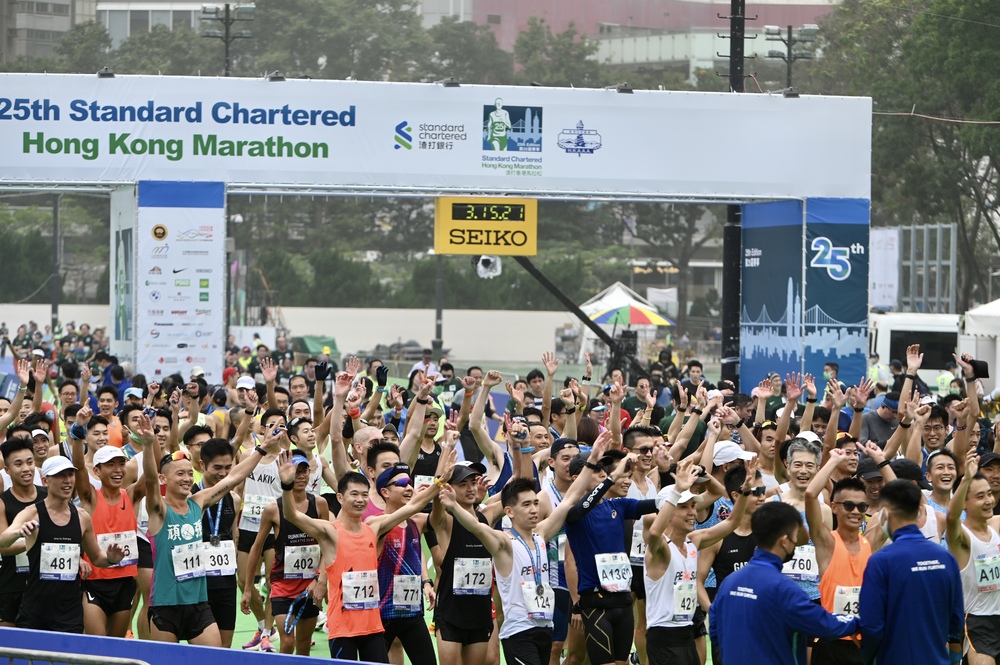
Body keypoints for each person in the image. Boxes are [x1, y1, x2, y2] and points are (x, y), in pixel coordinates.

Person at [281, 446, 455, 663]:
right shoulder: (330, 532)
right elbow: (291, 515)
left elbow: (412, 507)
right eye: (354, 494)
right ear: (340, 498)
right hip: (343, 630)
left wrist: (440, 481)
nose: (360, 500)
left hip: (372, 628)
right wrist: (286, 486)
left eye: (364, 495)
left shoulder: (373, 528)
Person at [436, 440, 601, 665]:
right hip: (518, 633)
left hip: (545, 627)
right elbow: (476, 527)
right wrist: (453, 506)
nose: (534, 510)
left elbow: (570, 498)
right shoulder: (503, 542)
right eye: (526, 505)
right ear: (509, 512)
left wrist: (592, 460)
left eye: (535, 503)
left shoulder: (541, 535)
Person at [140, 412, 282, 645]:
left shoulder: (198, 502)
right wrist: (148, 445)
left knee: (217, 658)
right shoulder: (159, 510)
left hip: (198, 604)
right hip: (166, 605)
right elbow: (149, 482)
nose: (187, 478)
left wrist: (263, 448)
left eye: (189, 473)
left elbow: (233, 477)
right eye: (179, 474)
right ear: (164, 479)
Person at [709, 502, 860, 665]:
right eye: (795, 537)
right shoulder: (784, 589)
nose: (796, 542)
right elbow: (822, 624)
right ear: (784, 541)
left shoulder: (729, 582)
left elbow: (715, 631)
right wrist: (858, 621)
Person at [643, 456, 757, 665]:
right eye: (684, 507)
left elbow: (732, 522)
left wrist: (745, 492)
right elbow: (654, 532)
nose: (692, 513)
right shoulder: (660, 549)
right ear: (667, 511)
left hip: (687, 633)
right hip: (664, 638)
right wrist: (677, 490)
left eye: (693, 506)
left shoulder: (693, 542)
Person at [0, 456, 127, 633]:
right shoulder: (31, 513)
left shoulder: (82, 517)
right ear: (45, 481)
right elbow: (3, 541)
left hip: (70, 614)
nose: (67, 480)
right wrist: (18, 532)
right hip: (34, 611)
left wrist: (112, 559)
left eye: (70, 474)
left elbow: (97, 558)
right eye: (60, 475)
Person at [859, 479, 964, 665]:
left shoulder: (881, 561)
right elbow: (956, 620)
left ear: (884, 514)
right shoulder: (946, 558)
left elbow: (872, 625)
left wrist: (867, 657)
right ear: (920, 512)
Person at [804, 446, 887, 665]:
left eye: (862, 506)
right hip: (831, 643)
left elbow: (899, 502)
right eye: (849, 505)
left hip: (864, 643)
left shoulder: (871, 542)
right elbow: (810, 495)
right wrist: (833, 461)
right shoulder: (827, 542)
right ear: (834, 507)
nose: (856, 511)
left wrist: (881, 460)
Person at [243, 449, 329, 655]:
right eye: (295, 471)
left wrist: (320, 579)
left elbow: (327, 545)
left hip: (310, 584)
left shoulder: (319, 504)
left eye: (303, 471)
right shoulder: (273, 509)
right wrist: (247, 588)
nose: (299, 476)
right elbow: (256, 547)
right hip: (283, 585)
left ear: (310, 473)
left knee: (304, 645)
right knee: (287, 641)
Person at [70, 405, 140, 637]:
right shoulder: (90, 497)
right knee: (96, 645)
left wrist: (149, 443)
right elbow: (79, 466)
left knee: (115, 646)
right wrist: (78, 431)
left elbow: (151, 477)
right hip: (95, 581)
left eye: (121, 464)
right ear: (97, 471)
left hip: (125, 580)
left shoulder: (130, 495)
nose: (118, 470)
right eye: (111, 465)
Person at [946, 449, 1000, 665]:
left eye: (989, 494)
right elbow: (951, 517)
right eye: (980, 496)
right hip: (978, 623)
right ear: (964, 504)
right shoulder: (962, 538)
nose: (988, 500)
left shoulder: (995, 525)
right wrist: (967, 478)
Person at [196, 438, 241, 648]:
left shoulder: (234, 499)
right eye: (217, 468)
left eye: (228, 467)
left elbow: (234, 537)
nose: (223, 473)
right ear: (202, 465)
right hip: (198, 583)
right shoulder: (192, 497)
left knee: (225, 647)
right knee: (204, 648)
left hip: (226, 582)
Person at [0, 436, 47, 627]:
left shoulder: (49, 496)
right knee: (9, 642)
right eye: (18, 464)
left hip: (46, 585)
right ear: (7, 470)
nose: (26, 469)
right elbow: (4, 548)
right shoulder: (3, 502)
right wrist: (33, 541)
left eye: (30, 462)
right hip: (12, 586)